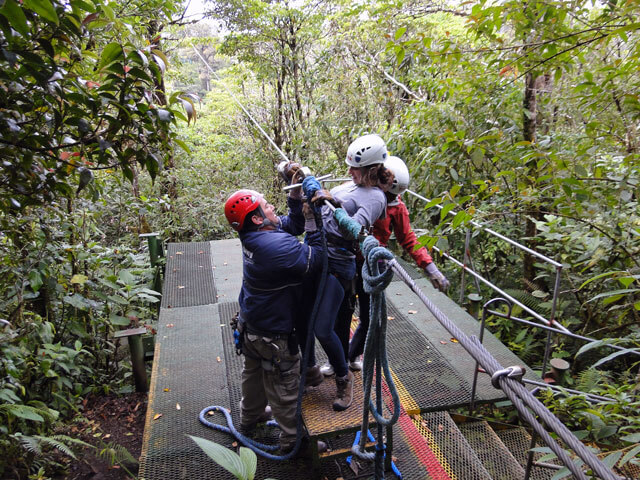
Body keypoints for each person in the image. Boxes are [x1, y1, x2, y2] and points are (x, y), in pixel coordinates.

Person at [224, 183, 325, 454]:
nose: (272, 208)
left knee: (254, 371)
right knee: (285, 385)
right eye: (267, 205)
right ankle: (293, 442)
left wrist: (295, 198)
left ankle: (250, 417)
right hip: (273, 333)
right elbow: (315, 260)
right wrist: (314, 220)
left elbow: (290, 225)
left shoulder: (255, 235)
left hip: (251, 323)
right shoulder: (274, 246)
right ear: (257, 218)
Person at [301, 133, 394, 412]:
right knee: (302, 318)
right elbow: (325, 216)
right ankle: (308, 371)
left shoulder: (376, 197)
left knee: (323, 327)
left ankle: (344, 378)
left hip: (338, 262)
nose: (349, 172)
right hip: (316, 250)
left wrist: (334, 203)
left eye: (355, 168)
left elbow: (355, 228)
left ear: (371, 170)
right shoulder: (347, 185)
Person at [347, 155, 450, 370]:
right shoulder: (357, 193)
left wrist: (430, 268)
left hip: (372, 263)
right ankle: (339, 357)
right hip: (346, 258)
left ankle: (350, 354)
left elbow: (407, 239)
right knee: (344, 310)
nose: (390, 198)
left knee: (370, 317)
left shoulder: (396, 207)